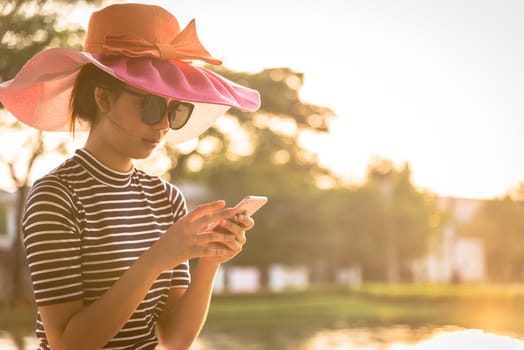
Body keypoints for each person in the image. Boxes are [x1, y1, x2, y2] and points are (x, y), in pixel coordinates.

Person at [0, 3, 261, 350]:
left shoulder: (165, 197)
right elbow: (68, 344)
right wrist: (156, 259)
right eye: (151, 107)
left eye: (175, 110)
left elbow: (175, 338)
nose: (164, 125)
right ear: (104, 98)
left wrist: (210, 260)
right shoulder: (56, 195)